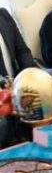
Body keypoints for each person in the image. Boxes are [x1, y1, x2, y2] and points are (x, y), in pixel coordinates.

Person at [0, 8, 36, 147]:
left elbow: (22, 51)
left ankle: (42, 151)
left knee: (44, 103)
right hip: (2, 94)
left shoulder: (3, 15)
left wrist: (26, 77)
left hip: (17, 85)